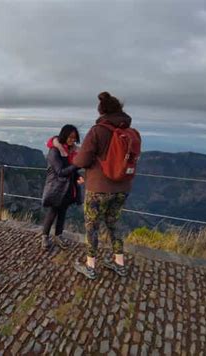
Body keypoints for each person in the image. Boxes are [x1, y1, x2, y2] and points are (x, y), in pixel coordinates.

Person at [72, 92, 139, 279]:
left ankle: (90, 266)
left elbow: (83, 160)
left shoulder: (98, 130)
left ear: (102, 111)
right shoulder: (129, 132)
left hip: (98, 188)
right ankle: (119, 263)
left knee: (91, 227)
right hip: (122, 188)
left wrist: (76, 159)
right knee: (114, 224)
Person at [41, 124, 82, 251]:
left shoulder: (71, 151)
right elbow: (60, 171)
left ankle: (59, 236)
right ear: (64, 135)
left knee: (63, 212)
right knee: (53, 212)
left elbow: (70, 171)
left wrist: (77, 176)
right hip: (56, 187)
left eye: (75, 138)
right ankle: (45, 237)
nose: (73, 140)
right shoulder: (54, 151)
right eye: (71, 137)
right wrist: (77, 165)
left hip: (68, 187)